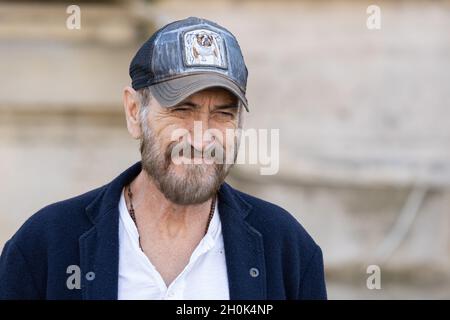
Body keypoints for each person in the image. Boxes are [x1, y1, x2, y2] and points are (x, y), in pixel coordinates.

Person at [0, 17, 326, 300]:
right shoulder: (46, 245)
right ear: (133, 112)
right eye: (182, 109)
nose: (201, 137)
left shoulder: (286, 250)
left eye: (223, 114)